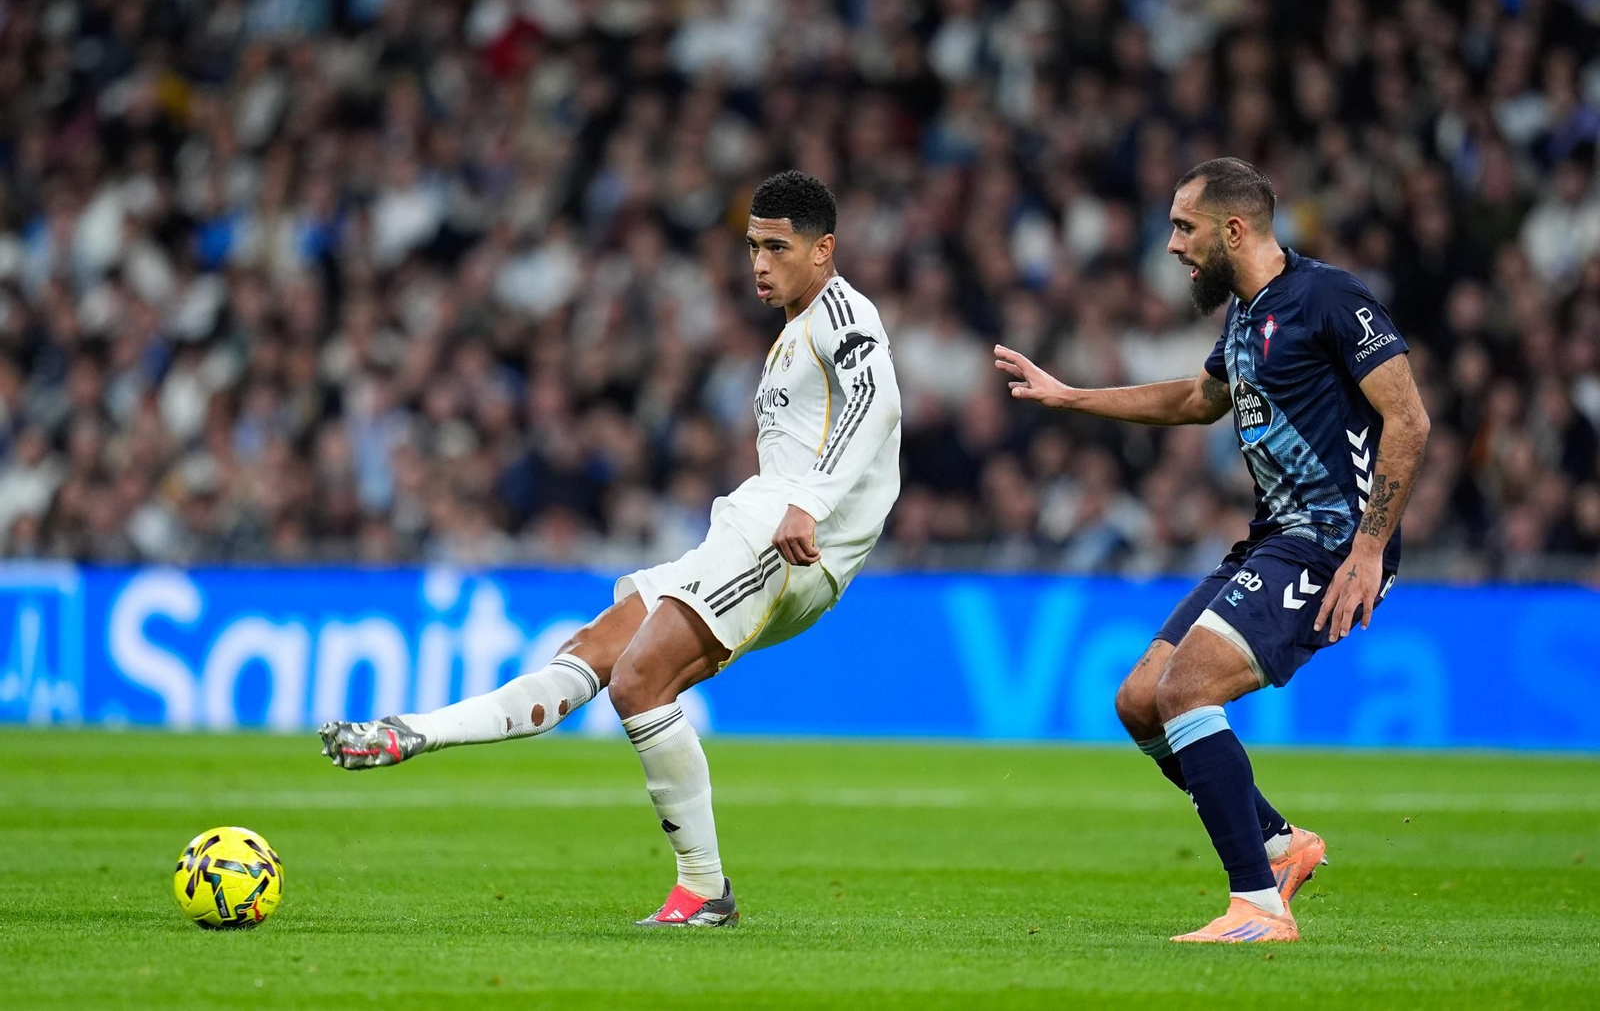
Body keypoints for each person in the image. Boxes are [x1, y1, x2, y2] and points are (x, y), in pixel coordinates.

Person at [318, 171, 902, 927]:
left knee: (638, 683)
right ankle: (415, 732)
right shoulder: (794, 330)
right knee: (591, 651)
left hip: (785, 538)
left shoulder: (842, 312)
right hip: (759, 528)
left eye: (778, 248)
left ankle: (703, 891)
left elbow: (878, 399)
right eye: (753, 246)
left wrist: (809, 503)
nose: (760, 263)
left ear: (823, 250)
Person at [996, 157, 1430, 943]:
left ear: (1234, 229)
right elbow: (1199, 400)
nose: (1172, 245)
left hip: (1330, 542)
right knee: (1140, 699)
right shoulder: (1242, 317)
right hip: (1272, 539)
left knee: (1190, 686)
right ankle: (1279, 846)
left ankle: (1258, 907)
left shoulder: (1328, 297)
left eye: (1183, 227)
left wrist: (1368, 550)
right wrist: (1071, 395)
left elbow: (1409, 419)